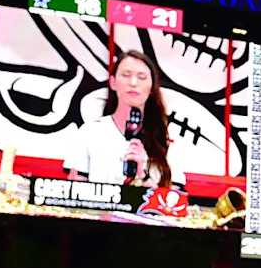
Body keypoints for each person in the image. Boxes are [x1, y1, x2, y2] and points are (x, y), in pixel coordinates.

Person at [63, 50, 186, 189]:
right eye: (126, 75)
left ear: (152, 87)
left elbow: (175, 197)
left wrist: (146, 181)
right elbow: (75, 189)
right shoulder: (90, 132)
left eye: (142, 77)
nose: (133, 83)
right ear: (113, 82)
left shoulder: (165, 138)